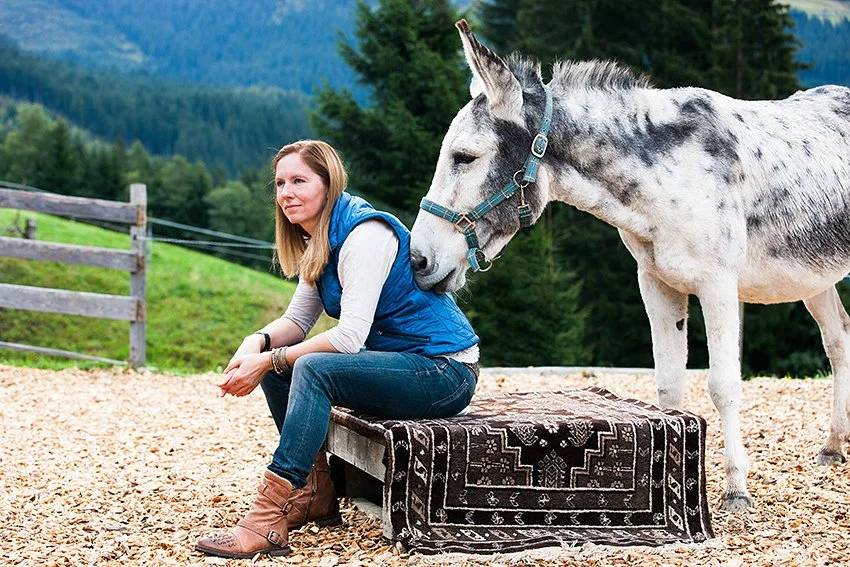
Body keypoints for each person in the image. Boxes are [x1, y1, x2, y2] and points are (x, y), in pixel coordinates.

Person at [196, 140, 480, 559]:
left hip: (443, 372)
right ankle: (314, 493)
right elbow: (295, 322)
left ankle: (266, 516)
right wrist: (256, 343)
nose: (286, 192)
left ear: (328, 186)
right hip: (402, 363)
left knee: (311, 368)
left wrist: (270, 358)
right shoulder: (321, 237)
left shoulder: (364, 235)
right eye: (279, 183)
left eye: (299, 181)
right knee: (283, 366)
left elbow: (348, 337)